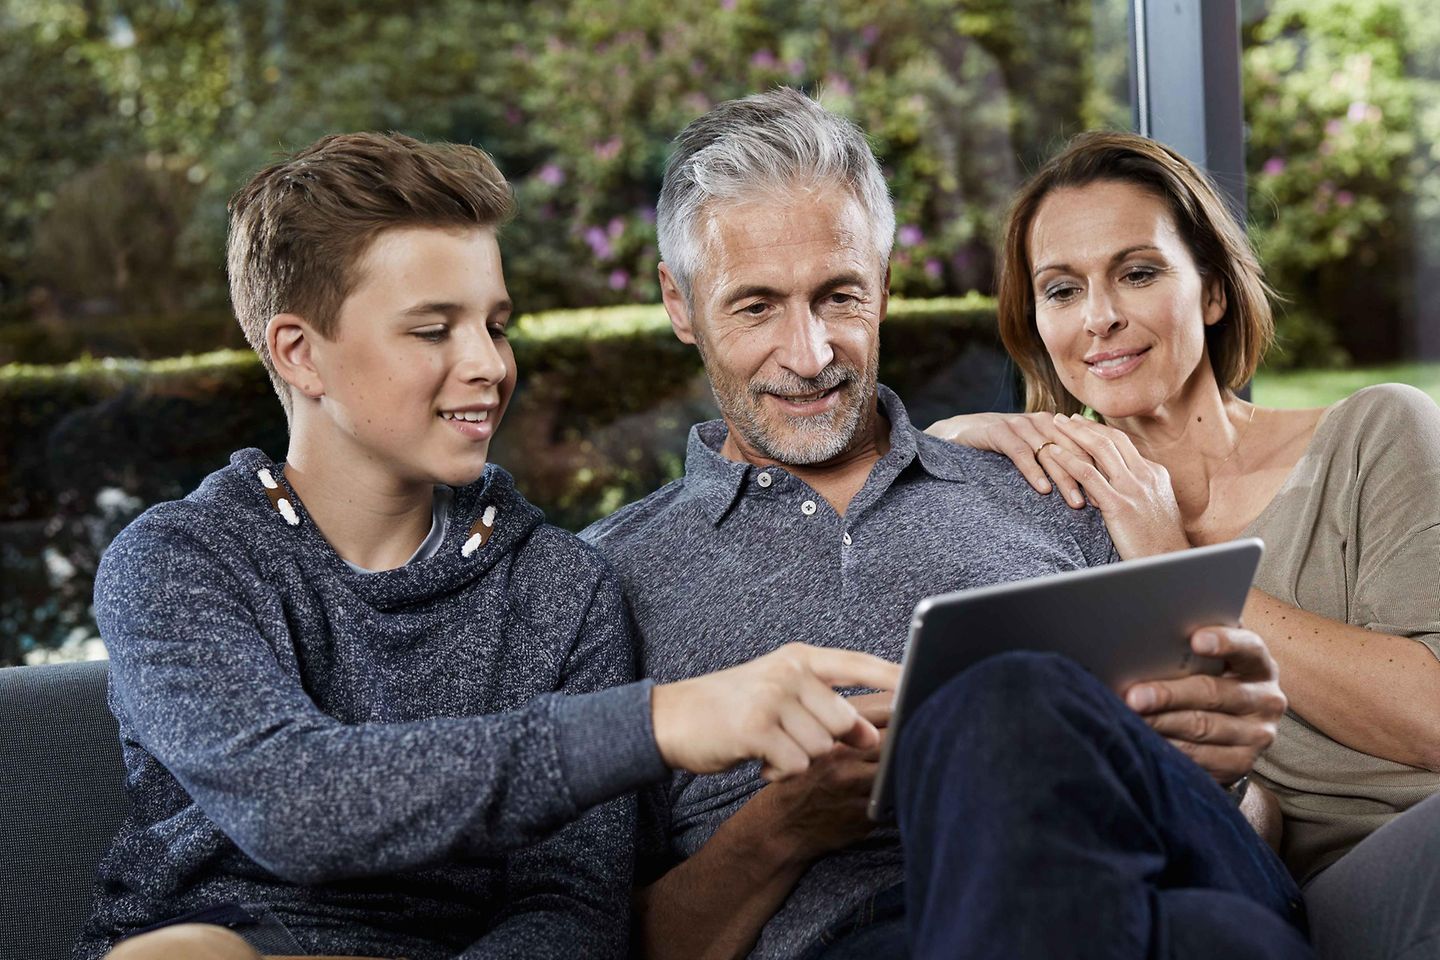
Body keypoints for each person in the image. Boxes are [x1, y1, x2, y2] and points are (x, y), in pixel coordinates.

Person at [76, 131, 900, 960]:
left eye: (495, 325)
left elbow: (571, 906)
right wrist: (658, 721)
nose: (487, 364)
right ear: (300, 354)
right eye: (434, 331)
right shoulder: (181, 562)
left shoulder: (560, 586)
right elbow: (293, 802)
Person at [582, 88, 1308, 960]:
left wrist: (1226, 778)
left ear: (884, 288)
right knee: (1216, 938)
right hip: (882, 936)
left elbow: (1251, 826)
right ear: (678, 303)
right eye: (756, 306)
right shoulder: (604, 582)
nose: (810, 355)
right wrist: (784, 826)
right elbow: (605, 946)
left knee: (1009, 699)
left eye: (840, 296)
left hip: (1147, 869)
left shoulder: (1051, 485)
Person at [927, 130, 1440, 960]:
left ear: (1211, 291)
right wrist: (944, 443)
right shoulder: (1055, 514)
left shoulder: (1375, 435)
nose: (1100, 317)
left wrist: (1179, 566)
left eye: (1138, 272)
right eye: (1061, 290)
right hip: (1266, 889)